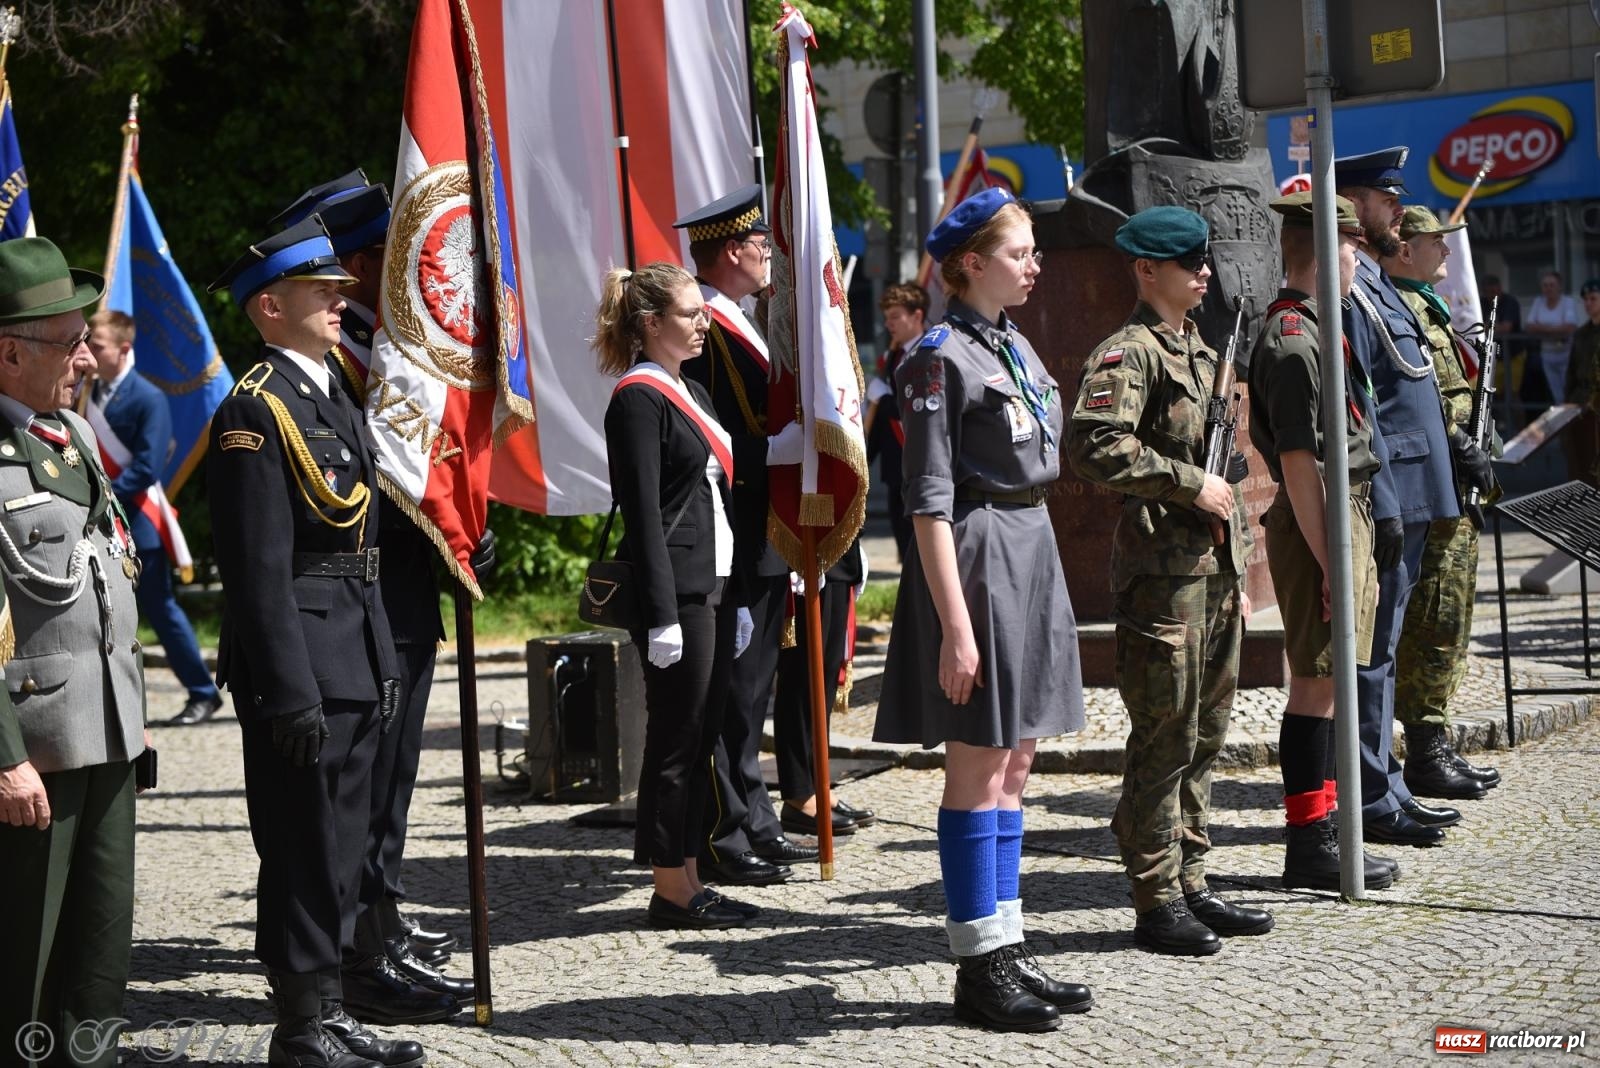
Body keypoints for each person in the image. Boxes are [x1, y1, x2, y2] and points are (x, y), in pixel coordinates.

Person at [208, 215, 438, 1067]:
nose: (341, 302)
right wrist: (288, 688)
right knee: (303, 849)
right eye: (323, 292)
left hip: (355, 649)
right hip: (304, 663)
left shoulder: (328, 392)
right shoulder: (255, 409)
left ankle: (332, 1011)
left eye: (340, 291)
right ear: (271, 305)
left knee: (339, 843)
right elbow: (258, 571)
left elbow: (365, 548)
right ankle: (302, 1028)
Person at [876, 187, 1091, 1032]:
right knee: (974, 769)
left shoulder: (1012, 345)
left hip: (1030, 546)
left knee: (1016, 765)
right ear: (970, 264)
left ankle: (1008, 941)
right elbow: (927, 503)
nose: (1033, 265)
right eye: (1019, 252)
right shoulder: (937, 358)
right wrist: (955, 627)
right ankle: (977, 964)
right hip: (977, 554)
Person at [272, 171, 476, 1020]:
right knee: (362, 785)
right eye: (381, 257)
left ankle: (378, 924)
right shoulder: (339, 364)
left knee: (388, 785)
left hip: (402, 590)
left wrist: (461, 523)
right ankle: (360, 946)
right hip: (365, 597)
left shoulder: (376, 351)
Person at [1068, 205, 1271, 956]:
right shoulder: (1129, 354)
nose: (1203, 273)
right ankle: (1155, 897)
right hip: (1161, 578)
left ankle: (1192, 878)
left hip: (1209, 574)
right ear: (1147, 271)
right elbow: (1092, 445)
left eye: (1204, 261)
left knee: (1208, 731)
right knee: (1165, 735)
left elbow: (1231, 471)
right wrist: (1188, 484)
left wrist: (1241, 568)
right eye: (1188, 263)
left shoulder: (1198, 349)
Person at [0, 237, 148, 1068]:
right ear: (9, 352)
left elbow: (105, 577)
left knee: (99, 947)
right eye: (69, 341)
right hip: (34, 754)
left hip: (108, 735)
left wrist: (133, 706)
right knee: (24, 954)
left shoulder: (75, 438)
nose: (87, 356)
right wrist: (4, 758)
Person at [676, 186, 843, 886]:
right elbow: (715, 435)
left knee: (755, 689)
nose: (769, 256)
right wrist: (782, 449)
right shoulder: (705, 330)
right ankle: (724, 829)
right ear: (734, 252)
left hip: (769, 535)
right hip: (739, 534)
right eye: (759, 245)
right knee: (735, 692)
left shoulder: (744, 321)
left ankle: (755, 813)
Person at [595, 260, 757, 929]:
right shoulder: (638, 398)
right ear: (651, 323)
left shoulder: (689, 390)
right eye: (691, 314)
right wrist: (661, 615)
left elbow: (717, 501)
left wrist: (739, 594)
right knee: (675, 736)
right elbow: (643, 513)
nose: (703, 322)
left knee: (702, 735)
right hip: (678, 596)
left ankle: (690, 872)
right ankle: (670, 885)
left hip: (711, 584)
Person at [1247, 191, 1398, 892]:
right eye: (1352, 249)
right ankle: (1309, 844)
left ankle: (1328, 833)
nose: (1358, 261)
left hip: (1340, 515)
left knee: (1331, 686)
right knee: (1315, 686)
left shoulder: (1313, 325)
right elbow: (1302, 465)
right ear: (1325, 250)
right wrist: (1332, 557)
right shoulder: (1294, 337)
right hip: (1321, 521)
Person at [1335, 146, 1464, 849]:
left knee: (1385, 647)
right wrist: (1382, 500)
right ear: (1353, 203)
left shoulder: (1380, 285)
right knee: (1373, 651)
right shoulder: (1350, 291)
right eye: (1387, 200)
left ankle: (1387, 783)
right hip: (1392, 493)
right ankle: (1371, 794)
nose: (1397, 212)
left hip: (1416, 490)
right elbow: (1362, 411)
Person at [1383, 206, 1501, 802]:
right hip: (1434, 490)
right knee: (1432, 619)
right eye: (1436, 243)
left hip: (1459, 490)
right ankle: (1423, 747)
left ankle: (1433, 739)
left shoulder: (1429, 307)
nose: (1446, 253)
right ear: (1404, 249)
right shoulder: (1395, 310)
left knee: (1450, 620)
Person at [83, 309, 225, 727]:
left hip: (138, 523)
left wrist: (98, 498)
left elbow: (146, 468)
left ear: (124, 348)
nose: (89, 351)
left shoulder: (148, 397)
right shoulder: (87, 395)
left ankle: (202, 691)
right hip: (97, 524)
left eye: (98, 345)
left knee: (160, 609)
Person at [865, 282, 928, 560]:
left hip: (919, 463)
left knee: (921, 547)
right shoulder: (894, 355)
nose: (889, 324)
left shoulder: (929, 353)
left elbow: (917, 406)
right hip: (894, 467)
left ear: (917, 316)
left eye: (895, 316)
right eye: (886, 317)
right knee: (904, 545)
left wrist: (886, 399)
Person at [1562, 279, 1600, 487]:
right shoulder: (1581, 334)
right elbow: (1571, 372)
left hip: (1597, 406)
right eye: (1585, 299)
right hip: (1579, 405)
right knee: (1580, 462)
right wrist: (1567, 402)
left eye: (1593, 298)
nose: (1588, 303)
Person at [1524, 270, 1581, 406]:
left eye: (1552, 285)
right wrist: (1555, 329)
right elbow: (1529, 327)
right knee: (1557, 395)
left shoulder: (1567, 302)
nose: (1548, 288)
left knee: (1570, 391)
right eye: (1545, 285)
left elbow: (1570, 327)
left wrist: (1543, 329)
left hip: (1567, 353)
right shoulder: (1538, 302)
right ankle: (1564, 425)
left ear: (1559, 287)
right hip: (1547, 353)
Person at [1478, 274, 1526, 429]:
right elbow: (1472, 323)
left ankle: (1521, 430)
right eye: (1489, 293)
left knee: (1513, 395)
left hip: (1513, 354)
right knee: (1494, 395)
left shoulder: (1510, 302)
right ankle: (1499, 429)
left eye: (1495, 292)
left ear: (1500, 289)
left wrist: (1485, 327)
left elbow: (1506, 328)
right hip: (1494, 355)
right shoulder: (1481, 303)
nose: (1492, 296)